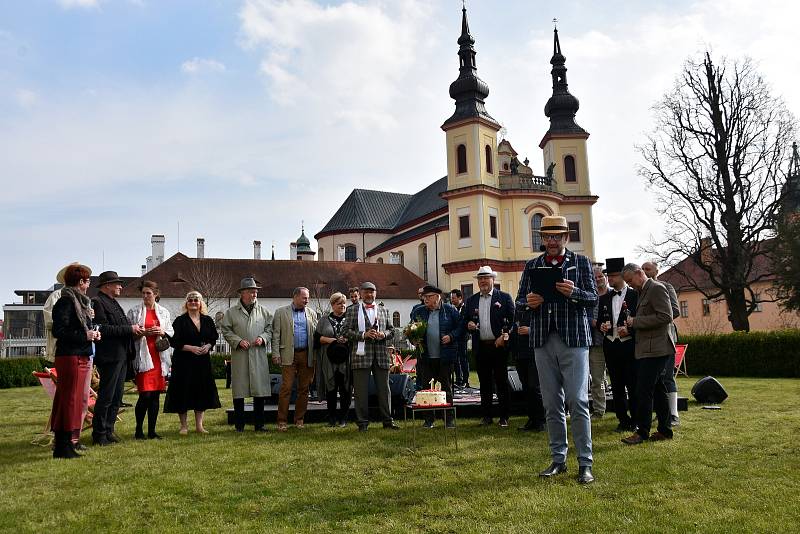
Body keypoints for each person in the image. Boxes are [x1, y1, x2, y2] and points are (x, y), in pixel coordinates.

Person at [517, 215, 597, 484]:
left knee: (578, 401)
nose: (551, 241)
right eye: (547, 236)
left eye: (556, 236)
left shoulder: (581, 262)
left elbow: (593, 298)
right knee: (551, 404)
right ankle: (558, 460)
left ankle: (585, 463)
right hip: (542, 340)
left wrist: (574, 292)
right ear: (542, 238)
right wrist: (529, 302)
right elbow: (519, 302)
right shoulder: (532, 266)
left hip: (574, 339)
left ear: (566, 237)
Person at [621, 263, 676, 445]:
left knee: (643, 390)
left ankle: (642, 432)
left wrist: (636, 321)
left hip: (657, 348)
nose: (630, 285)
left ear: (639, 273)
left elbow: (666, 316)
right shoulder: (642, 291)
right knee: (658, 390)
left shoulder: (656, 288)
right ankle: (664, 430)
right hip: (648, 348)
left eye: (630, 281)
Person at [50, 263, 99, 458]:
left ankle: (68, 442)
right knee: (69, 400)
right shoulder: (66, 302)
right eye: (87, 281)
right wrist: (85, 335)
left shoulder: (80, 303)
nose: (89, 285)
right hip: (70, 355)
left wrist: (92, 334)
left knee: (76, 400)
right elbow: (59, 331)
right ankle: (63, 445)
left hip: (80, 354)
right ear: (81, 282)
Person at [92, 271, 143, 446]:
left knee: (116, 396)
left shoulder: (113, 303)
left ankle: (109, 430)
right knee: (106, 396)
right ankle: (99, 433)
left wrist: (135, 329)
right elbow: (103, 329)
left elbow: (121, 326)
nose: (120, 286)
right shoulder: (98, 302)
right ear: (107, 286)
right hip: (109, 356)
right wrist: (130, 329)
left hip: (121, 355)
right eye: (117, 284)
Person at [344, 281, 400, 432]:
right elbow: (345, 331)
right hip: (361, 355)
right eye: (366, 292)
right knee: (361, 391)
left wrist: (383, 334)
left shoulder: (384, 310)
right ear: (360, 293)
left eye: (372, 291)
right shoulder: (352, 310)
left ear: (376, 293)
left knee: (384, 389)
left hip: (381, 355)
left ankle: (388, 421)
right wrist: (363, 334)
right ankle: (362, 423)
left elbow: (392, 330)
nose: (369, 294)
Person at [220, 277, 273, 432]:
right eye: (251, 291)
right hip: (240, 355)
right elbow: (226, 330)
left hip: (258, 354)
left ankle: (259, 425)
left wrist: (262, 338)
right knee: (239, 392)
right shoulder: (231, 313)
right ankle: (239, 425)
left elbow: (270, 329)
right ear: (242, 293)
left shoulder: (264, 311)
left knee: (259, 391)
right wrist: (237, 341)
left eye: (255, 292)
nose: (254, 294)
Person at [164, 291, 221, 434]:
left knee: (200, 391)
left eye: (196, 300)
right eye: (190, 300)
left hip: (202, 361)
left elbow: (213, 338)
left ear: (201, 303)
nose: (193, 302)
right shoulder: (180, 321)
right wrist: (191, 348)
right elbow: (173, 341)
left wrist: (208, 346)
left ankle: (199, 426)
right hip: (184, 361)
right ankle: (183, 426)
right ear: (186, 303)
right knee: (183, 391)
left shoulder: (207, 320)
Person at [465, 266, 515, 427]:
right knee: (484, 383)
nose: (483, 281)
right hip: (481, 346)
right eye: (480, 279)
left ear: (493, 279)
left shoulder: (505, 298)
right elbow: (464, 321)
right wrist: (469, 324)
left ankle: (504, 417)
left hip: (499, 346)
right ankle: (486, 416)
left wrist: (504, 337)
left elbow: (514, 321)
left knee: (501, 382)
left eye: (486, 278)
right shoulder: (471, 300)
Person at [411, 285, 463, 428]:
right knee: (426, 388)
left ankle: (448, 419)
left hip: (445, 357)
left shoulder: (450, 310)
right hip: (426, 357)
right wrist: (413, 339)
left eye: (428, 296)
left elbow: (461, 328)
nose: (425, 299)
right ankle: (429, 419)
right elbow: (411, 328)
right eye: (424, 296)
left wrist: (451, 336)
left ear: (437, 297)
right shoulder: (418, 311)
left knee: (446, 387)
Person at [596, 258, 639, 433]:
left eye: (612, 276)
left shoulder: (635, 295)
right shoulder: (605, 297)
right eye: (609, 276)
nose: (609, 279)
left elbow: (640, 320)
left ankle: (636, 420)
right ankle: (623, 420)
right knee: (617, 385)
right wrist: (602, 326)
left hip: (628, 346)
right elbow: (600, 320)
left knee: (632, 384)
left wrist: (630, 331)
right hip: (611, 345)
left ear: (622, 276)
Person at [126, 280, 172, 440]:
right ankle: (139, 430)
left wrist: (162, 330)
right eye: (143, 293)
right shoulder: (134, 312)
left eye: (149, 293)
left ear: (156, 295)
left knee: (155, 396)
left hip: (159, 357)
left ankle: (152, 431)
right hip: (143, 357)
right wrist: (141, 333)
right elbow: (128, 334)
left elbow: (171, 331)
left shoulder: (164, 312)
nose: (145, 296)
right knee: (144, 394)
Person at [272, 287, 319, 432]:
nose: (307, 300)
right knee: (286, 388)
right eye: (305, 298)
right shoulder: (281, 312)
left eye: (308, 298)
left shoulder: (311, 313)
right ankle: (281, 421)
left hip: (307, 355)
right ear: (295, 297)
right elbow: (276, 335)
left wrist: (316, 355)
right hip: (288, 354)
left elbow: (315, 335)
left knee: (304, 389)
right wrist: (275, 353)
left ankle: (299, 419)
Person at [642, 261, 681, 426]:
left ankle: (673, 414)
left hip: (665, 337)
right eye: (642, 269)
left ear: (657, 270)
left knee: (667, 376)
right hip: (647, 340)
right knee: (654, 379)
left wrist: (652, 319)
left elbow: (675, 310)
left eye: (648, 268)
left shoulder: (666, 286)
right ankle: (661, 413)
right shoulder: (640, 291)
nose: (645, 271)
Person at [314, 292, 352, 427]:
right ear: (332, 305)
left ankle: (343, 418)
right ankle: (331, 417)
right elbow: (317, 339)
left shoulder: (350, 319)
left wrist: (348, 339)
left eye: (343, 303)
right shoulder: (324, 320)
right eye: (339, 303)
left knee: (345, 389)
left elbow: (356, 335)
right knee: (331, 389)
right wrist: (333, 340)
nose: (342, 305)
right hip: (329, 360)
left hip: (346, 361)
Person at [510, 305, 545, 432]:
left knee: (534, 387)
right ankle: (532, 419)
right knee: (526, 388)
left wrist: (530, 330)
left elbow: (546, 327)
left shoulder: (538, 309)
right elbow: (514, 329)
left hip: (533, 354)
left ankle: (541, 420)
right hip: (520, 355)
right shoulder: (518, 311)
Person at [588, 265, 608, 419]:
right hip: (595, 343)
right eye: (595, 277)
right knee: (597, 379)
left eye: (600, 276)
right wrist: (593, 322)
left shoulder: (614, 294)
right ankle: (599, 409)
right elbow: (584, 317)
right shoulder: (590, 297)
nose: (598, 279)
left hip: (615, 341)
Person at [449, 288, 470, 389]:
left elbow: (464, 323)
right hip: (454, 339)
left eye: (453, 298)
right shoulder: (451, 309)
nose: (452, 300)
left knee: (463, 359)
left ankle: (465, 380)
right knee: (455, 360)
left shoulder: (465, 309)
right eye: (451, 298)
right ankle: (458, 380)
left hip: (462, 338)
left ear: (460, 298)